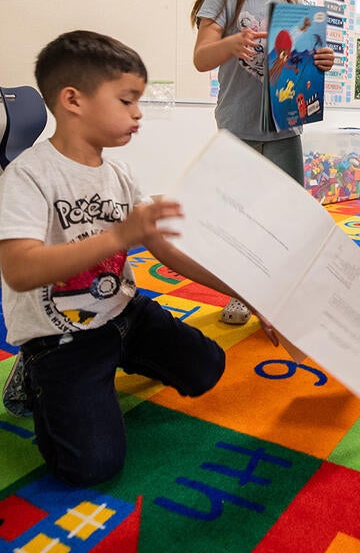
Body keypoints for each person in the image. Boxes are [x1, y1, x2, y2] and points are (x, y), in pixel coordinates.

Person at [0, 31, 265, 486]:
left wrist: (248, 294)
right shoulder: (30, 176)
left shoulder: (119, 173)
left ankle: (116, 358)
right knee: (91, 466)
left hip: (124, 314)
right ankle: (34, 375)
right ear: (72, 100)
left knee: (208, 368)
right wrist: (120, 235)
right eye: (126, 100)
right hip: (61, 336)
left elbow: (166, 250)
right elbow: (19, 269)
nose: (138, 112)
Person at [191, 0, 335, 326]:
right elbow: (201, 58)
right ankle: (242, 291)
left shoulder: (291, 2)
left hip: (285, 128)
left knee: (285, 215)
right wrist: (231, 44)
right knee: (242, 214)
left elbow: (302, 60)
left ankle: (277, 293)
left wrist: (320, 58)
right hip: (239, 128)